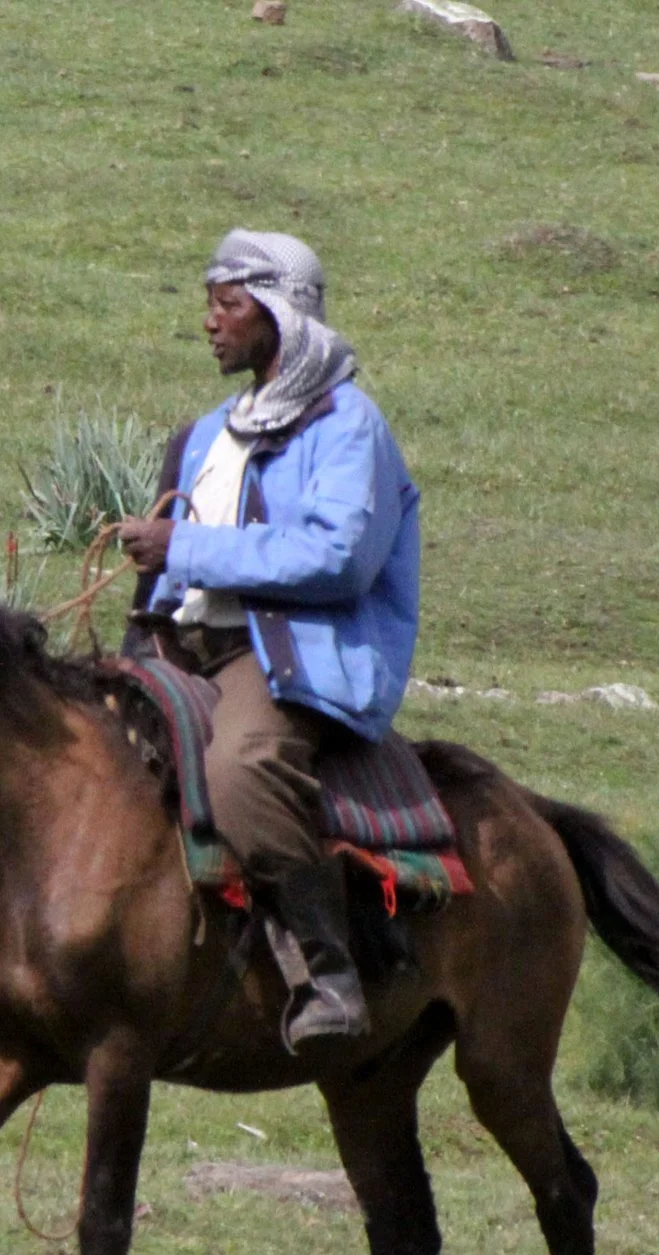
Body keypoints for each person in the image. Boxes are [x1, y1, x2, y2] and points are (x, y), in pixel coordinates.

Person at [118, 229, 421, 1050]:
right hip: (188, 643)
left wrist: (182, 548)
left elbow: (338, 557)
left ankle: (329, 972)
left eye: (229, 305)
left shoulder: (349, 427)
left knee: (242, 767)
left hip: (286, 650)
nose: (211, 323)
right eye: (208, 306)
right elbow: (177, 562)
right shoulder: (207, 431)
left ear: (282, 313)